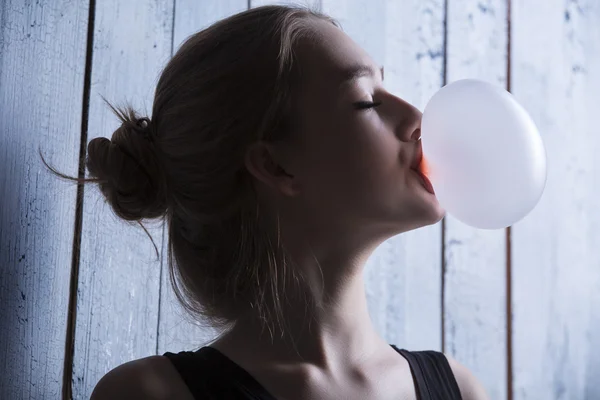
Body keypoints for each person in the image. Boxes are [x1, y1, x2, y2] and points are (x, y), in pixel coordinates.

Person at [44, 5, 490, 399]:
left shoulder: (459, 390)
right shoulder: (150, 395)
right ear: (276, 166)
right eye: (365, 101)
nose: (417, 117)